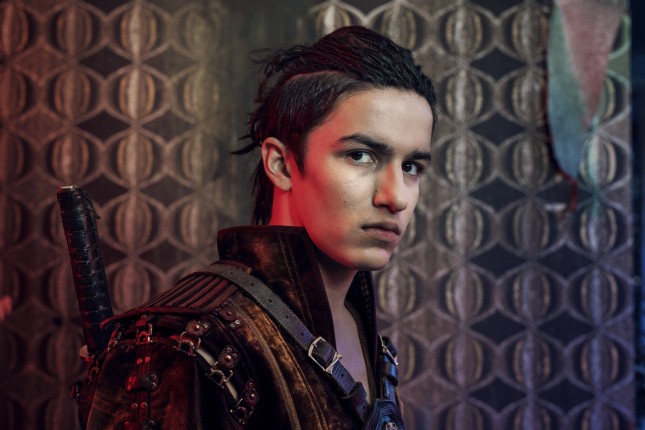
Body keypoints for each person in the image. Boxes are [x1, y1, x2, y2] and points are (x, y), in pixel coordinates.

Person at [75, 25, 436, 429]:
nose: (396, 196)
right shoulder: (188, 344)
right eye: (360, 155)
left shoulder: (360, 324)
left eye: (411, 166)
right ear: (281, 164)